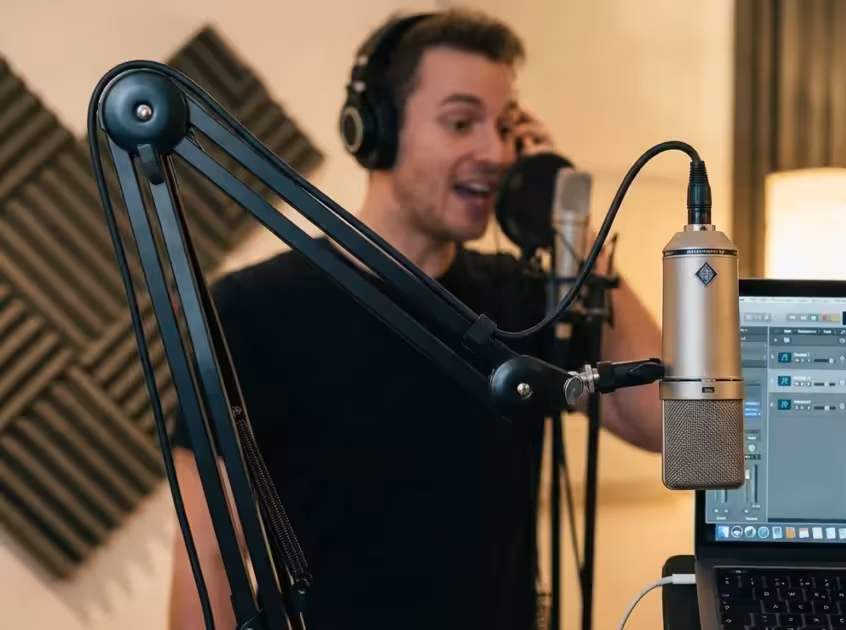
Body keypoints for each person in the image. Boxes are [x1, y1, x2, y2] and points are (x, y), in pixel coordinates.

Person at [166, 8, 663, 630]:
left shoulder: (524, 299)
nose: (493, 152)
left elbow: (673, 428)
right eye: (461, 122)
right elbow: (211, 560)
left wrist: (572, 231)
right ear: (376, 129)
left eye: (506, 127)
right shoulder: (252, 311)